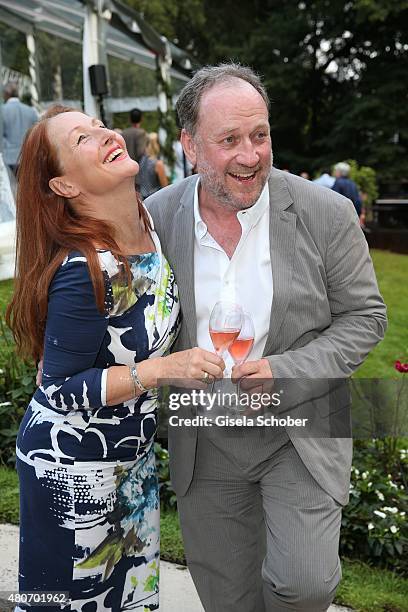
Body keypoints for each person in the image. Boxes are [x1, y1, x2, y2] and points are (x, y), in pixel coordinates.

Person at [145, 63, 387, 612]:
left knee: (304, 585)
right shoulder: (155, 219)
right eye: (228, 140)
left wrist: (286, 370)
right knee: (227, 598)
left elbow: (365, 316)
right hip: (204, 433)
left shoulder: (327, 212)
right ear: (190, 145)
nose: (250, 155)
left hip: (299, 426)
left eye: (259, 135)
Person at [6, 105, 224, 611]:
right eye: (82, 139)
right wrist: (161, 369)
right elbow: (57, 389)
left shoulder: (148, 224)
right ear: (63, 187)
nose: (104, 135)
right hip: (70, 468)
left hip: (130, 463)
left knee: (132, 600)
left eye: (99, 125)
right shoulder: (84, 267)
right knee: (61, 603)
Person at [1, 82, 38, 175]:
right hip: (28, 157)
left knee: (11, 188)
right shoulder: (31, 111)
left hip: (7, 158)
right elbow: (37, 135)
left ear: (6, 94)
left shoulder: (2, 111)